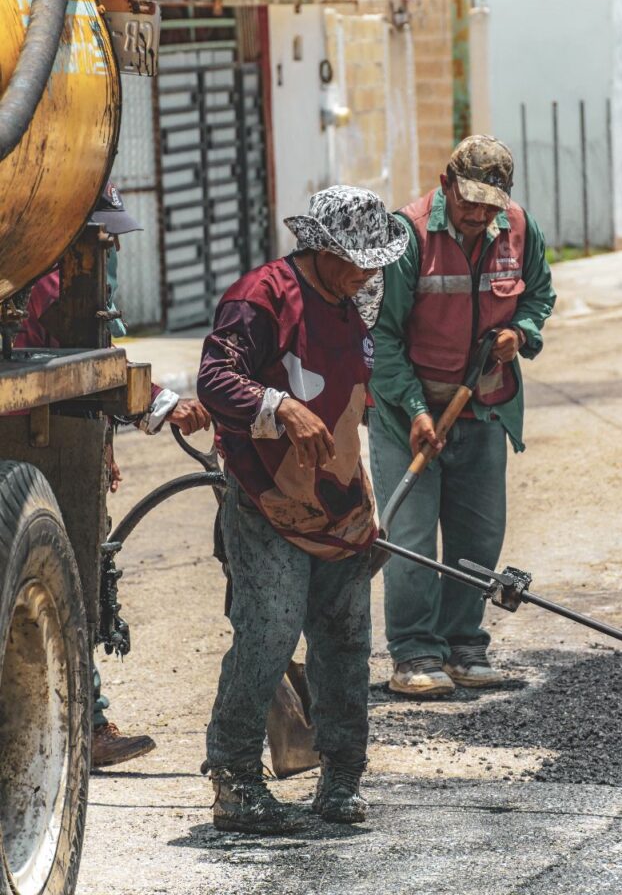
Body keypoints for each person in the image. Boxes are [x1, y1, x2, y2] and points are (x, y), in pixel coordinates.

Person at [197, 185, 408, 834]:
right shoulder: (262, 297)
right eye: (358, 259)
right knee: (270, 631)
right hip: (269, 500)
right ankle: (235, 781)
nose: (369, 273)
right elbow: (214, 377)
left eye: (374, 261)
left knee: (345, 642)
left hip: (339, 503)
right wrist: (279, 406)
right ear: (323, 248)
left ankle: (341, 779)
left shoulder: (353, 304)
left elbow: (353, 399)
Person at [15, 181, 211, 767]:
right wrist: (156, 402)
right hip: (34, 442)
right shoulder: (50, 280)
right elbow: (83, 357)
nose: (110, 248)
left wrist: (101, 442)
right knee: (65, 580)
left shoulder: (52, 267)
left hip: (55, 434)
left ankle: (83, 720)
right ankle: (84, 725)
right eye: (103, 235)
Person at [368, 135, 556, 697]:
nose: (477, 215)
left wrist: (520, 332)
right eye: (468, 201)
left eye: (488, 205)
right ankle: (414, 653)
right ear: (446, 183)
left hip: (483, 408)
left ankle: (463, 646)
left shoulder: (519, 229)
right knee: (412, 538)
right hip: (409, 413)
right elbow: (381, 338)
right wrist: (417, 411)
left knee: (479, 537)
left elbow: (539, 294)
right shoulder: (409, 235)